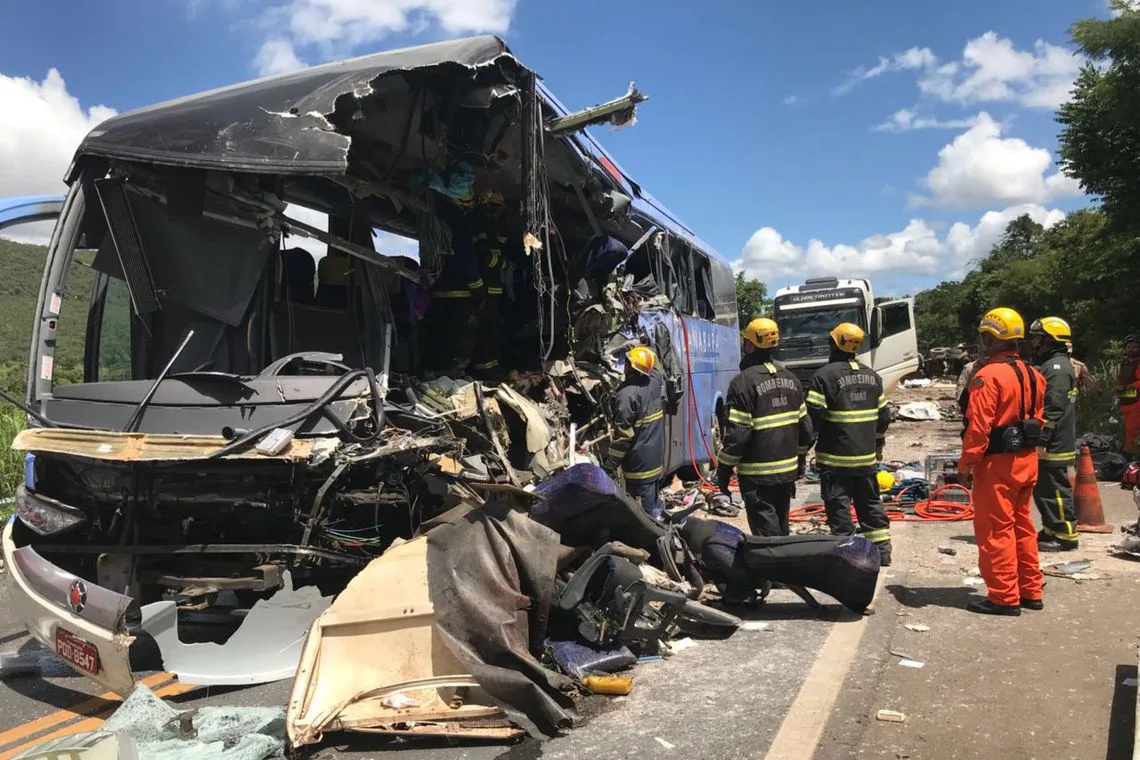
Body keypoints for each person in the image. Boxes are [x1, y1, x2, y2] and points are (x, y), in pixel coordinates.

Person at [958, 307, 1045, 616]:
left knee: (996, 530)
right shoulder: (1035, 375)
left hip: (997, 465)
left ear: (990, 337)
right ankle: (1030, 590)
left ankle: (1004, 597)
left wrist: (966, 465)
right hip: (1027, 460)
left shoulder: (987, 377)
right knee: (1022, 526)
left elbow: (978, 426)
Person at [804, 323, 894, 566]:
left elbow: (814, 419)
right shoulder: (873, 377)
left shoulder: (824, 377)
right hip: (865, 459)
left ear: (833, 344)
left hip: (835, 460)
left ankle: (846, 555)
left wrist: (803, 450)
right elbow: (884, 417)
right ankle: (882, 551)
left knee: (839, 506)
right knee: (870, 503)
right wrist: (876, 446)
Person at [715, 318, 813, 537]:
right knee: (782, 527)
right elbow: (806, 429)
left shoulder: (742, 383)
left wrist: (723, 469)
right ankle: (784, 566)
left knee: (767, 536)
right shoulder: (792, 379)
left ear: (749, 346)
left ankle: (775, 570)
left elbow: (738, 436)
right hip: (786, 473)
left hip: (757, 477)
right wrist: (799, 462)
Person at [1028, 317, 1080, 552]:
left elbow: (1054, 406)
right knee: (1045, 490)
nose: (1035, 343)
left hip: (1054, 442)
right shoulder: (1052, 364)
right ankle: (1051, 528)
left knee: (1056, 491)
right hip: (1052, 440)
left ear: (1051, 340)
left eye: (1039, 338)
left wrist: (1042, 438)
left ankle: (1065, 536)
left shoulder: (1057, 368)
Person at [606, 346, 667, 519]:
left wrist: (610, 464)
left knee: (643, 517)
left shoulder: (626, 396)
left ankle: (654, 544)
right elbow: (656, 366)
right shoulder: (655, 381)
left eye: (626, 362)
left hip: (638, 469)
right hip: (656, 462)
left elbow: (623, 437)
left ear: (630, 367)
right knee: (656, 507)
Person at [1117, 336, 1140, 455]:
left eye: (1135, 347)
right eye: (1129, 347)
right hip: (1126, 403)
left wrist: (1128, 387)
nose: (1132, 349)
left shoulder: (1138, 364)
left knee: (1134, 430)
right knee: (1128, 430)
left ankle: (1130, 455)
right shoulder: (1125, 364)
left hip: (1136, 403)